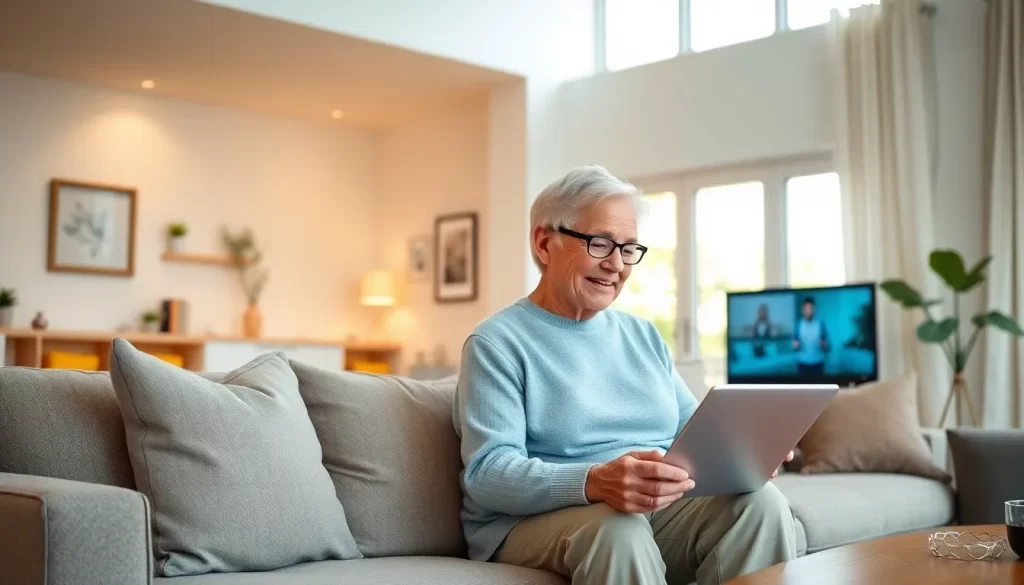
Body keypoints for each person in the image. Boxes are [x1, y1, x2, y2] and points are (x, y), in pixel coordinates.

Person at [452, 166, 798, 585]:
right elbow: (488, 474)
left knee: (761, 504)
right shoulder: (497, 342)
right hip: (530, 524)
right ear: (545, 243)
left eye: (629, 248)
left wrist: (742, 451)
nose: (616, 264)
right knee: (618, 528)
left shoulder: (643, 335)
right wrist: (595, 481)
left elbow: (691, 430)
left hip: (645, 510)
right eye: (600, 244)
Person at [792, 297, 829, 375]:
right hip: (802, 364)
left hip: (818, 363)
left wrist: (824, 345)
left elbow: (827, 346)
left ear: (814, 309)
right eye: (806, 309)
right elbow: (794, 346)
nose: (808, 311)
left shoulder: (820, 324)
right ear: (802, 310)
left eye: (810, 308)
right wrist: (795, 346)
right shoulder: (798, 325)